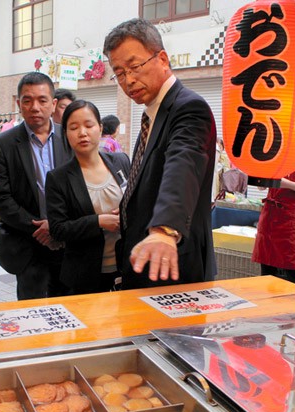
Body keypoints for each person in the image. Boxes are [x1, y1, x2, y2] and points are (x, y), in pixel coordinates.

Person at [103, 18, 217, 290]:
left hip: (174, 266)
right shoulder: (151, 113)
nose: (128, 80)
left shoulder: (189, 108)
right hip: (144, 263)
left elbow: (183, 164)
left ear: (162, 58)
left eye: (135, 66)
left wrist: (165, 229)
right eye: (119, 73)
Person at [0, 72, 71, 300]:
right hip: (28, 243)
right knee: (31, 310)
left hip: (67, 243)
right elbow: (0, 197)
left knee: (70, 309)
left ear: (53, 104)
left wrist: (58, 228)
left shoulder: (69, 137)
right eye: (27, 100)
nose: (35, 107)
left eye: (42, 100)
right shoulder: (3, 144)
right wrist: (39, 228)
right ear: (18, 103)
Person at [46, 100, 130, 294]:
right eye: (73, 128)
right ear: (66, 134)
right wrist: (98, 222)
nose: (82, 133)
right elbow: (58, 229)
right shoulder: (58, 178)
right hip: (85, 275)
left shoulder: (121, 162)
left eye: (89, 125)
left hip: (126, 267)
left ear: (100, 128)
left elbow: (138, 202)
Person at [252, 165, 295, 285]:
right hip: (270, 213)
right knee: (267, 262)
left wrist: (285, 183)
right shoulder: (275, 156)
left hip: (291, 216)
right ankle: (269, 301)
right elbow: (261, 187)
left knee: (293, 264)